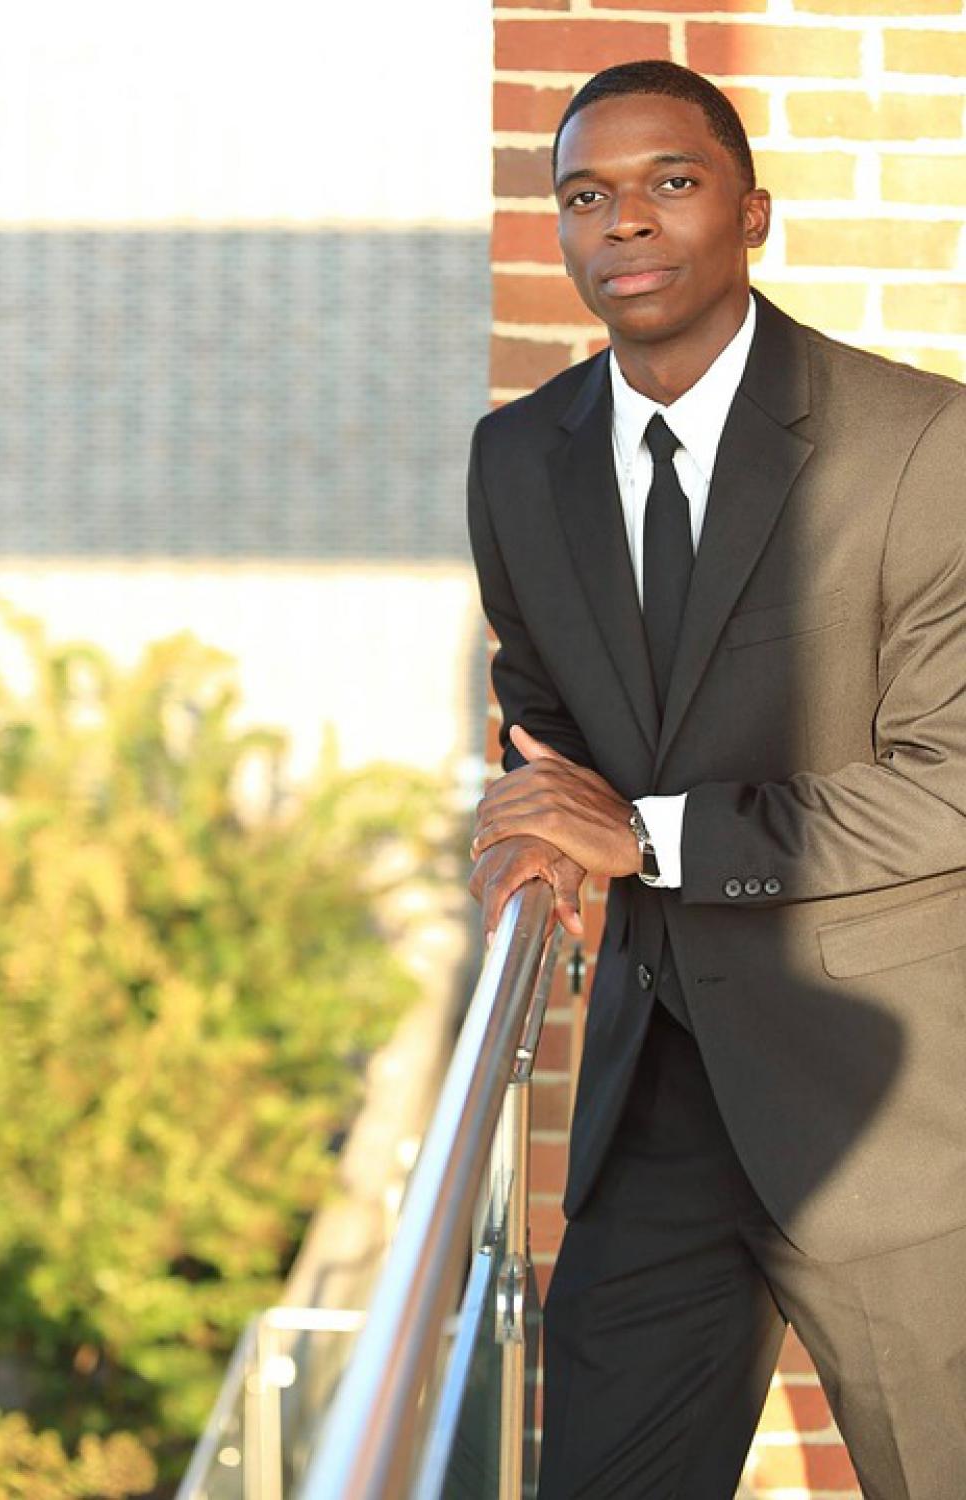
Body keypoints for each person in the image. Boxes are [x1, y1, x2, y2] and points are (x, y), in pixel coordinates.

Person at [467, 59, 966, 1499]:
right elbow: (542, 709)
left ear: (753, 214)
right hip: (656, 1100)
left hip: (890, 1118)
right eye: (585, 196)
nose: (622, 220)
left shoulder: (917, 445)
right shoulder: (518, 457)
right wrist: (534, 821)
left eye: (669, 183)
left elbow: (952, 781)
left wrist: (646, 837)